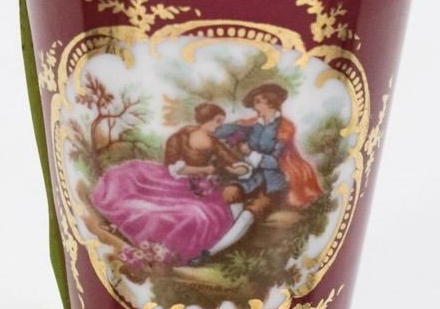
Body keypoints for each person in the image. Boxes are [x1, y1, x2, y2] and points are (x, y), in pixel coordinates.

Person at [88, 103, 245, 264]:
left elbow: (229, 159)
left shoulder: (214, 142)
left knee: (198, 215)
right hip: (172, 179)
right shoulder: (180, 137)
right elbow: (173, 166)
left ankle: (166, 252)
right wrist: (205, 169)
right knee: (126, 180)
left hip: (196, 186)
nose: (220, 126)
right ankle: (126, 232)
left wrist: (241, 167)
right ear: (206, 119)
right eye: (218, 121)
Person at [204, 82, 323, 256]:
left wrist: (251, 153)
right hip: (251, 178)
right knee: (229, 194)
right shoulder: (255, 124)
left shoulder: (284, 127)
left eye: (258, 102)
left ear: (271, 102)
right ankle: (215, 243)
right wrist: (205, 129)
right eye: (255, 102)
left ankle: (210, 252)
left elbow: (275, 162)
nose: (255, 106)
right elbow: (227, 130)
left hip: (273, 183)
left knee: (250, 212)